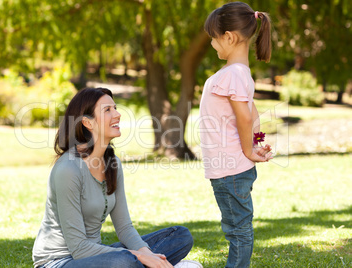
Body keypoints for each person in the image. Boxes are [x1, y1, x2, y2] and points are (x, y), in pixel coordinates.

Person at [32, 87, 202, 268]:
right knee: (124, 261)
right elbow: (79, 249)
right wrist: (136, 256)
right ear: (87, 123)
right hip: (60, 262)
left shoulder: (112, 164)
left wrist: (146, 254)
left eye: (115, 108)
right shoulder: (69, 169)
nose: (117, 114)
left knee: (180, 236)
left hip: (96, 255)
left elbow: (124, 228)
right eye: (107, 110)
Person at [199, 2, 274, 268]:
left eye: (213, 38)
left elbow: (244, 117)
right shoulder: (238, 75)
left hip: (231, 168)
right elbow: (252, 115)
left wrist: (247, 151)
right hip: (228, 169)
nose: (212, 44)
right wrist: (256, 143)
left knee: (238, 229)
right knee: (235, 227)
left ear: (229, 37)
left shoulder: (234, 74)